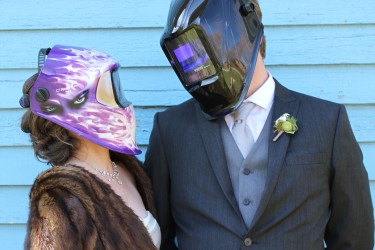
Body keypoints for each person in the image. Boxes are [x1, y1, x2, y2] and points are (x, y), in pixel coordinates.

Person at [145, 0, 374, 249]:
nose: (197, 58)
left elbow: (354, 237)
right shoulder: (170, 130)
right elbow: (157, 237)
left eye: (209, 37)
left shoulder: (328, 122)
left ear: (249, 27)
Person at [20, 45, 161, 249]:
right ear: (72, 113)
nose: (123, 105)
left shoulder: (127, 170)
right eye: (109, 92)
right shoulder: (57, 200)